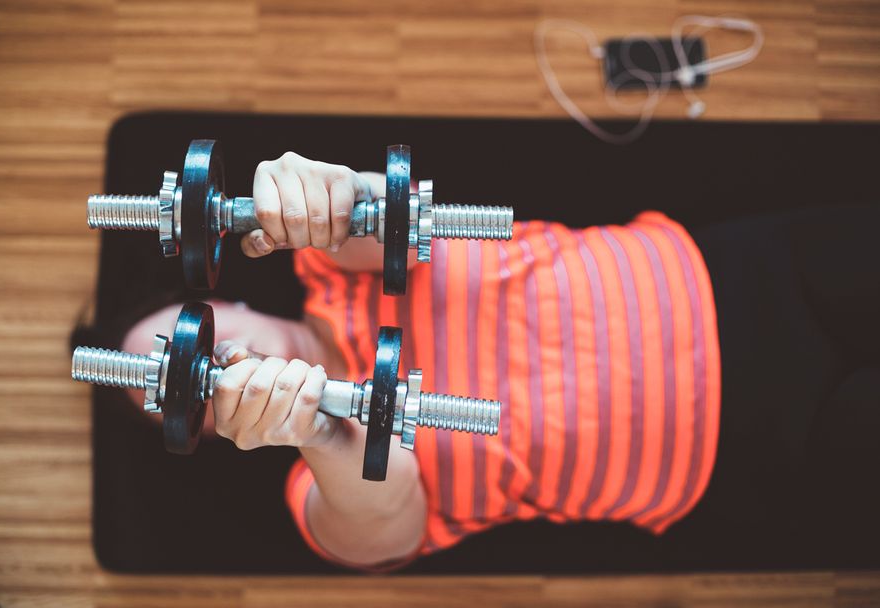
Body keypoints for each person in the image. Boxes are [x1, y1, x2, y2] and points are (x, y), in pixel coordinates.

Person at [123, 151, 879, 570]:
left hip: (740, 276)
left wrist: (312, 197)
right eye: (187, 395)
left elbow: (371, 214)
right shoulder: (320, 491)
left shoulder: (330, 265)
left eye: (196, 342)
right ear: (211, 433)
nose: (216, 368)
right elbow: (385, 524)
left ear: (229, 303)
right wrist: (316, 427)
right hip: (751, 453)